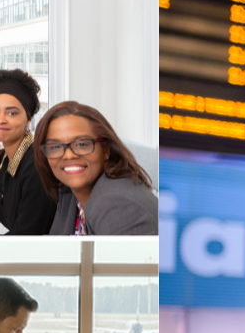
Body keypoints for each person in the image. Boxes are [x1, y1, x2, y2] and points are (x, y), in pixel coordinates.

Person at [32, 101, 157, 235]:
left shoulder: (115, 204)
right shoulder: (68, 193)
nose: (68, 155)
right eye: (55, 147)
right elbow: (56, 252)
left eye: (81, 144)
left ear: (106, 150)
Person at [0, 69, 57, 234]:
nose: (1, 119)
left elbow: (24, 241)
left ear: (28, 119)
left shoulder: (38, 165)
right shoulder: (3, 158)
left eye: (11, 113)